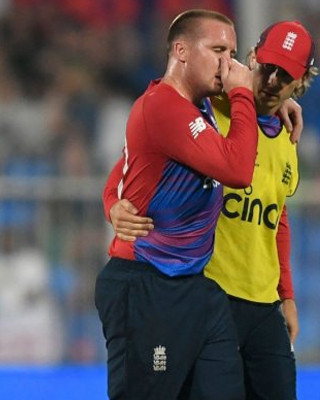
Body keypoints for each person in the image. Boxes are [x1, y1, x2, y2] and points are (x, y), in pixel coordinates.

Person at [104, 20, 317, 400]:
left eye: (284, 76)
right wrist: (112, 203)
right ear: (252, 59)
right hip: (208, 290)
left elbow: (277, 215)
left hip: (262, 301)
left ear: (300, 83)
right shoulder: (207, 107)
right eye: (267, 67)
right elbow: (133, 161)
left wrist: (286, 294)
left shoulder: (288, 134)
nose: (271, 81)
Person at [94, 9, 259, 400]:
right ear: (182, 51)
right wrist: (243, 94)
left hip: (194, 287)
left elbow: (128, 164)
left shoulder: (199, 106)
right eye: (217, 50)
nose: (228, 64)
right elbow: (238, 171)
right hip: (147, 285)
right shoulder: (162, 106)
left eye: (232, 53)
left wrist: (112, 200)